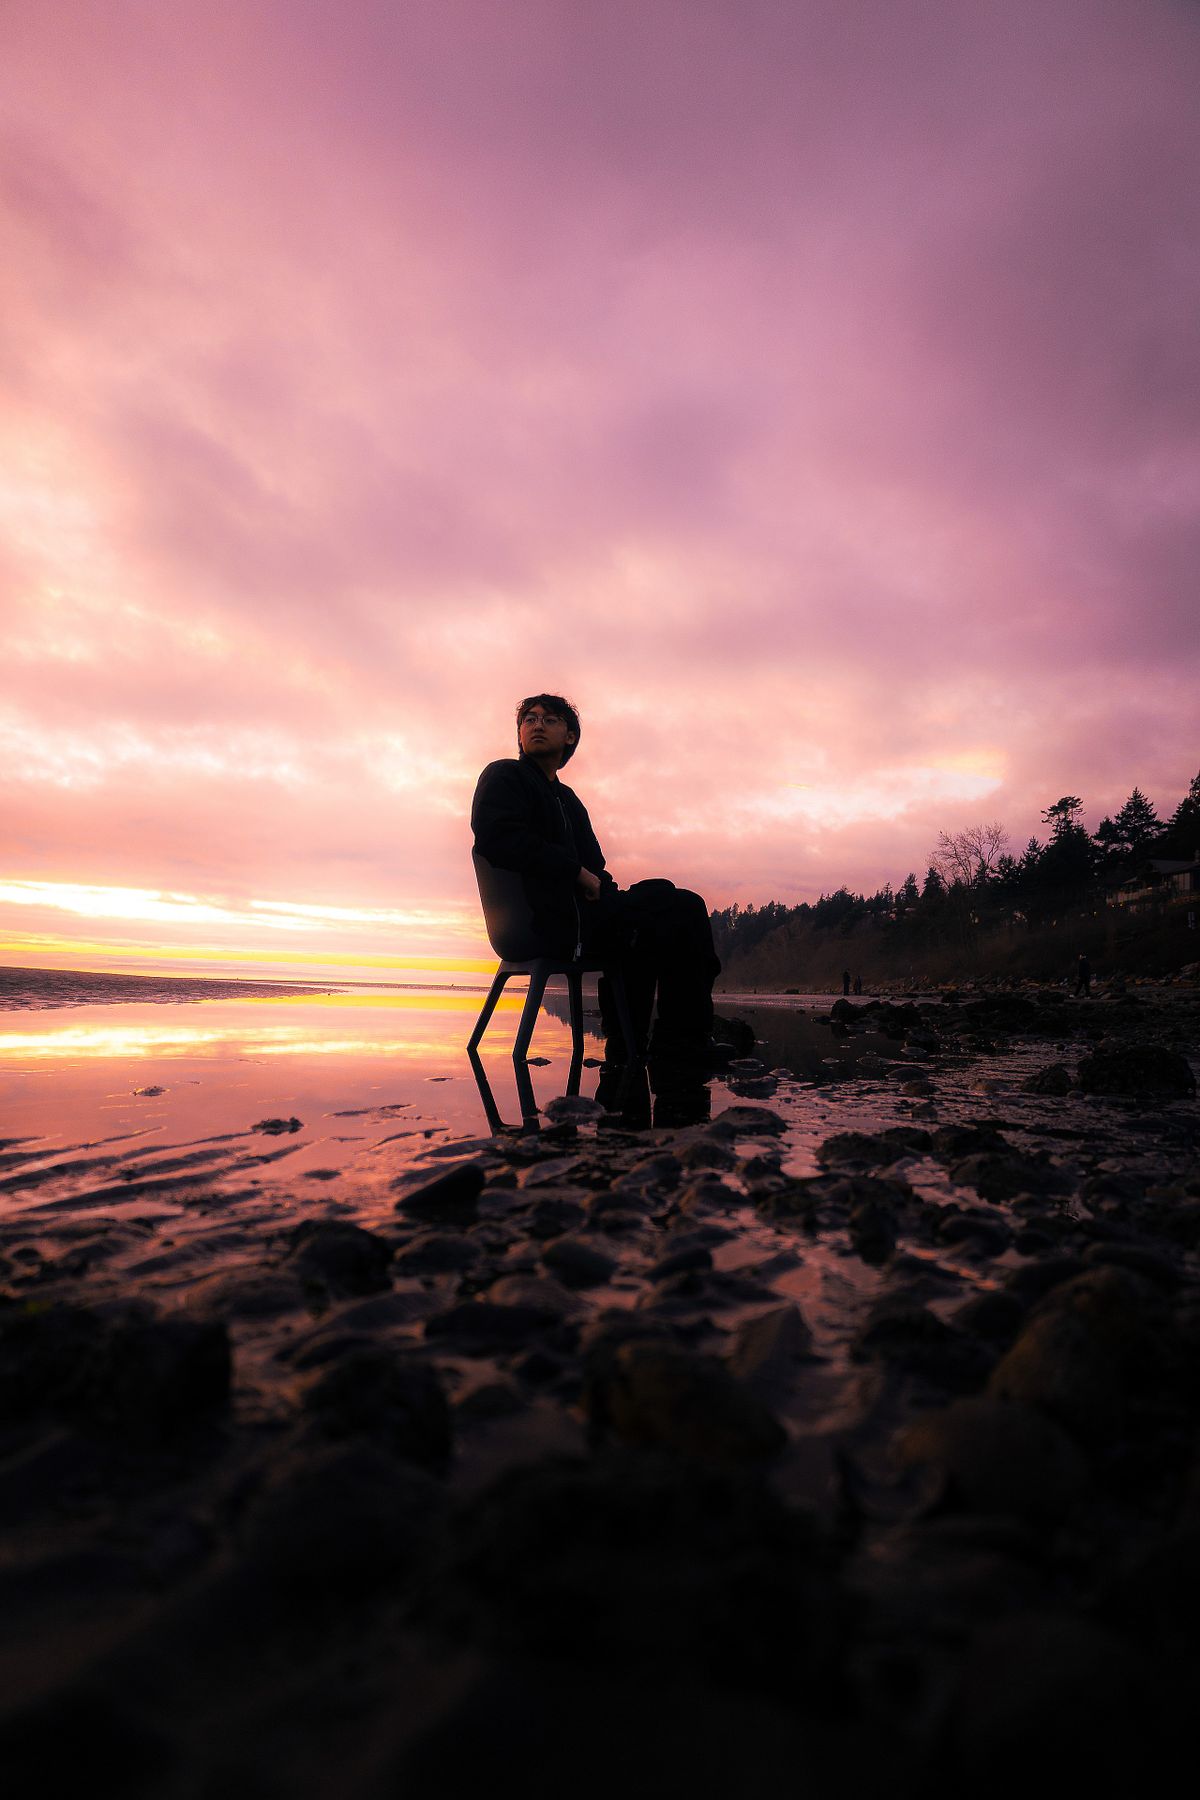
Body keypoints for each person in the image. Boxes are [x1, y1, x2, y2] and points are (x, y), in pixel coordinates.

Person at [471, 693, 731, 1065]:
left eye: (549, 719)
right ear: (520, 734)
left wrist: (605, 890)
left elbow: (595, 867)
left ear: (570, 737)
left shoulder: (568, 799)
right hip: (539, 921)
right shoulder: (505, 777)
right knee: (663, 914)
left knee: (671, 903)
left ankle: (652, 1041)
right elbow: (498, 838)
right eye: (529, 719)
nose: (537, 725)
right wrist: (575, 872)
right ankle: (657, 1042)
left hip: (580, 914)